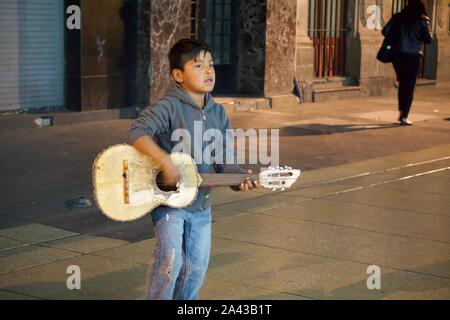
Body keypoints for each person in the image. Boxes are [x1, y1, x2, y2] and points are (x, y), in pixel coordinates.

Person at [129, 38, 258, 300]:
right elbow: (138, 132)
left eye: (210, 64)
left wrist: (238, 178)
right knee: (169, 262)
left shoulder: (219, 114)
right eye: (198, 66)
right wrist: (165, 161)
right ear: (178, 75)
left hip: (201, 206)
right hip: (169, 204)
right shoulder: (169, 107)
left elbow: (224, 159)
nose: (208, 71)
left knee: (195, 269)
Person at [382, 0, 433, 126]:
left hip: (397, 55)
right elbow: (428, 39)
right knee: (409, 86)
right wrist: (426, 24)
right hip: (412, 55)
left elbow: (385, 31)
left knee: (403, 84)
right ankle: (404, 117)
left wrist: (397, 36)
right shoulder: (422, 20)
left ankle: (400, 114)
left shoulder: (398, 17)